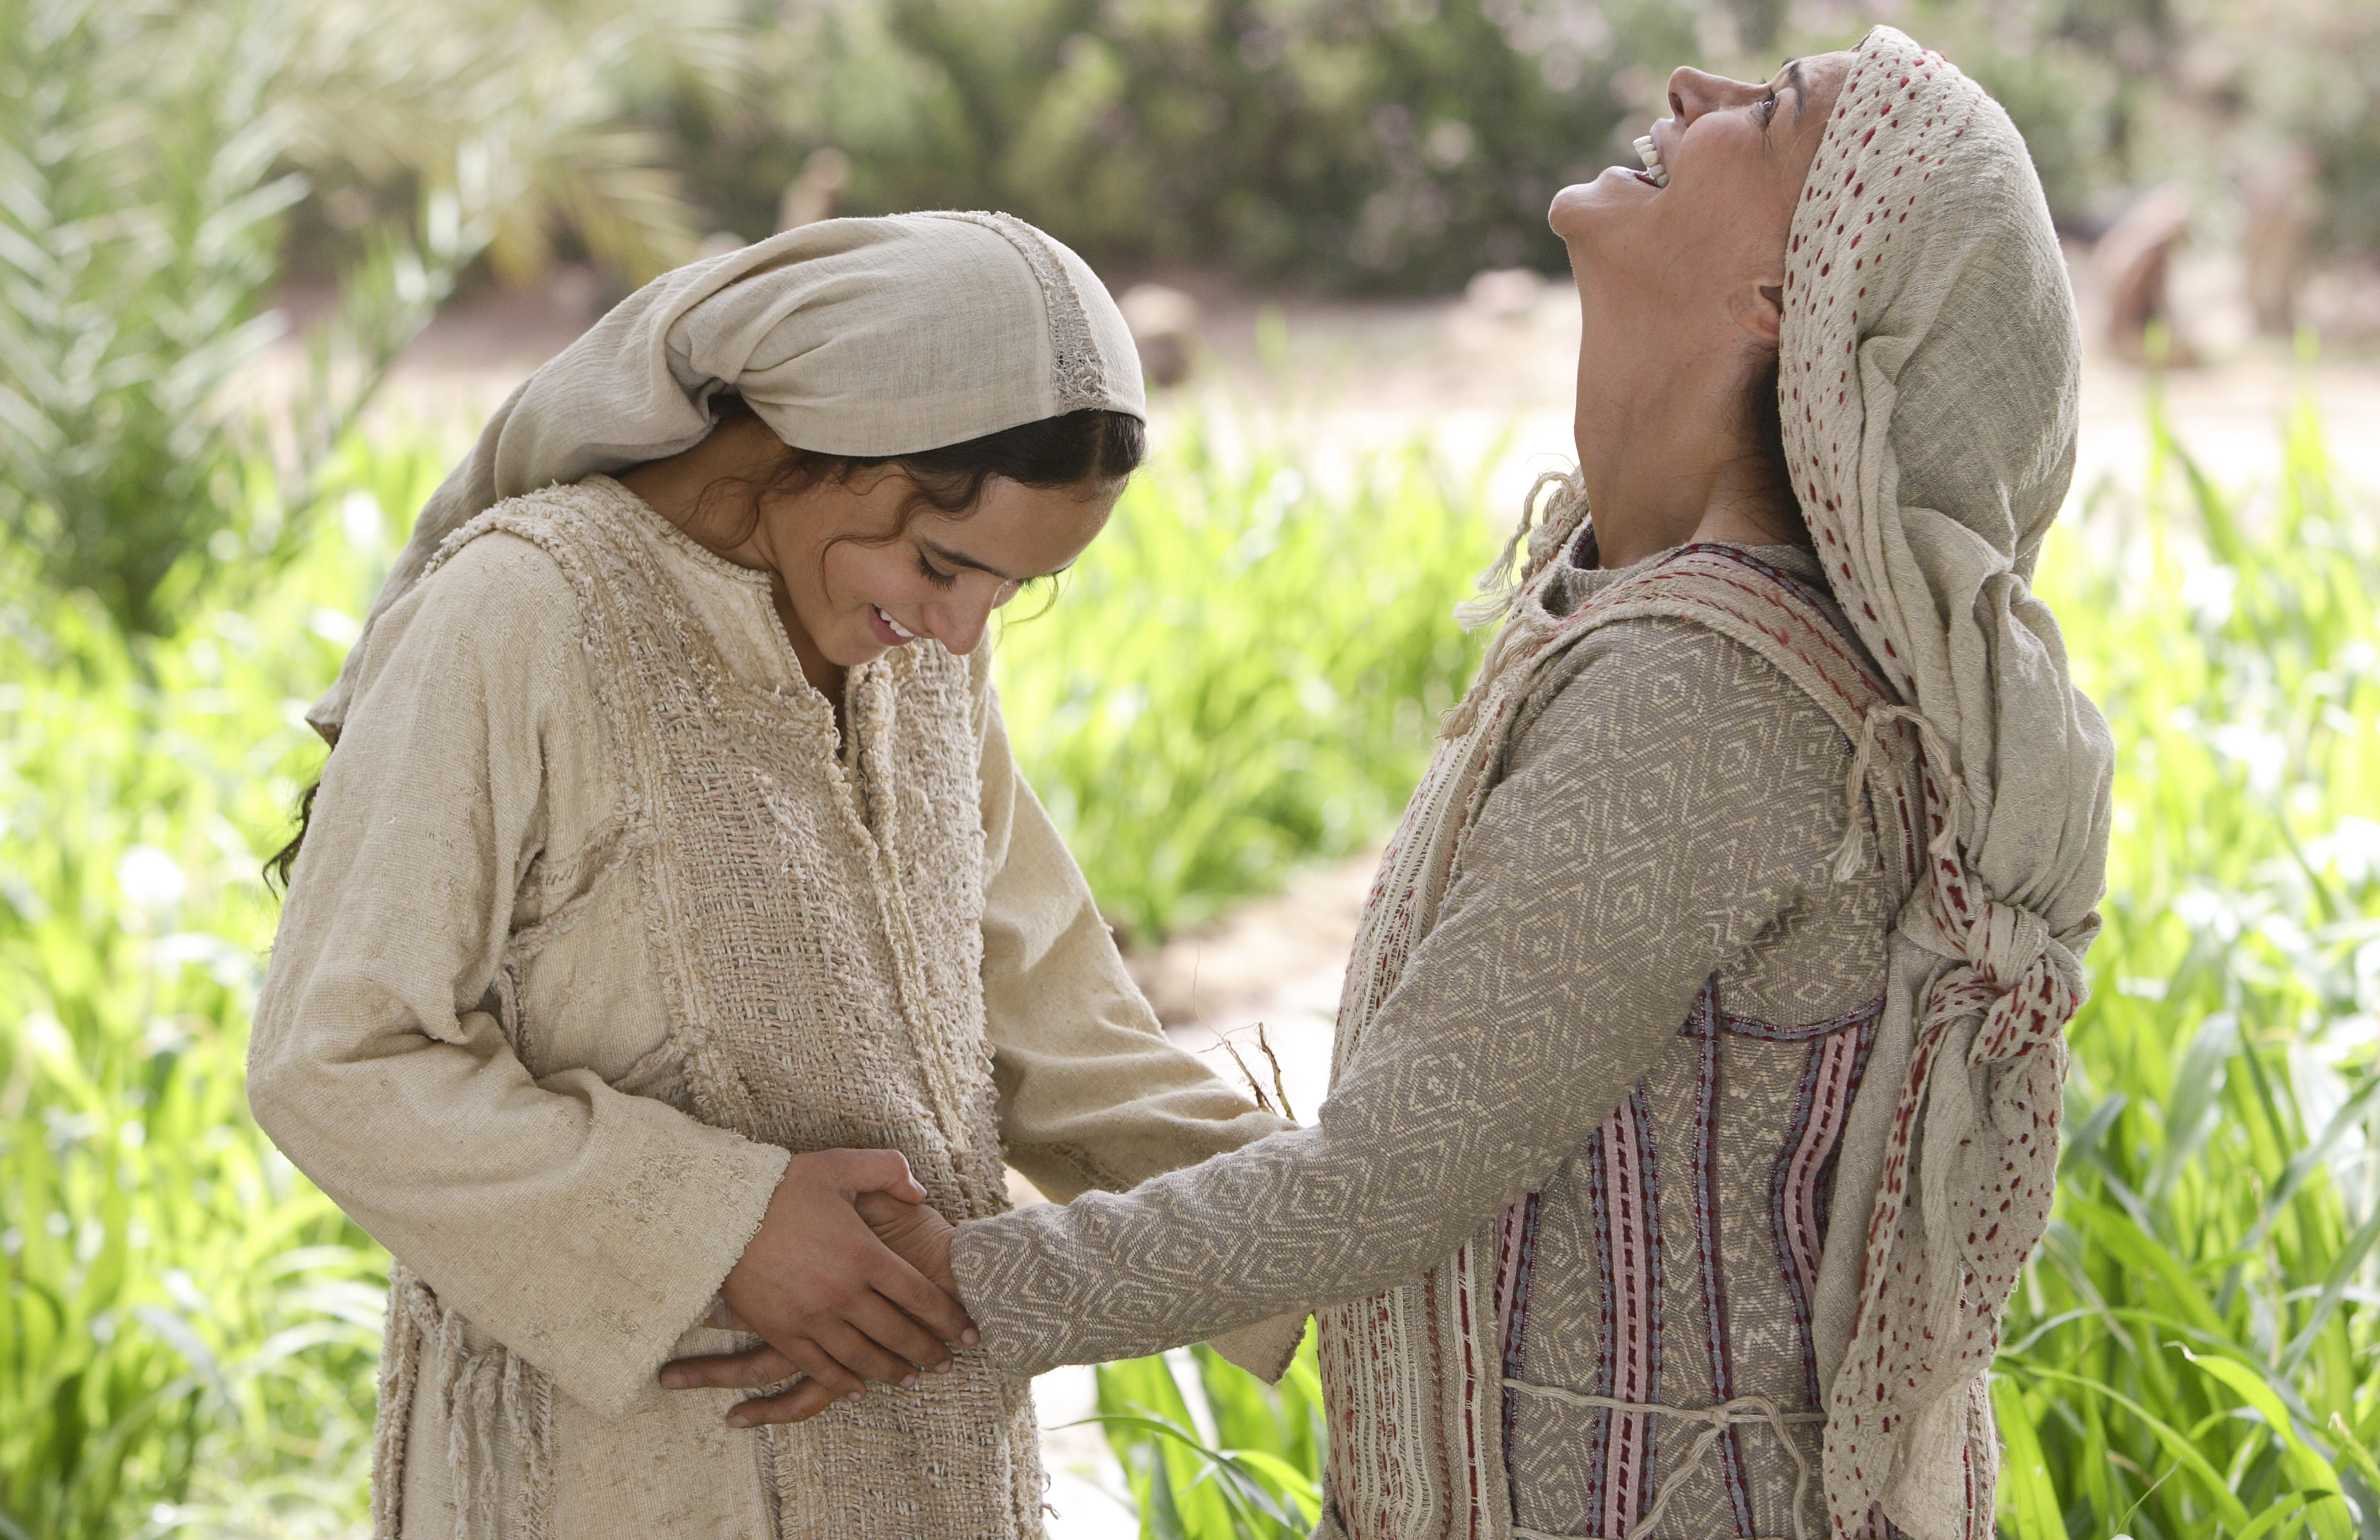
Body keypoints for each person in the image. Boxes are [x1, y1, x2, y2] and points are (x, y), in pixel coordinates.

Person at [671, 28, 2115, 1540]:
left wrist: (915, 1296)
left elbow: (1382, 1180)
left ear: (1791, 296)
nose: (1696, 92)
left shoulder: (1710, 696)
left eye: (1778, 113)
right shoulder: (1644, 615)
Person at [248, 212, 1294, 1540]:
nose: (962, 628)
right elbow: (335, 1055)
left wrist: (1362, 1217)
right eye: (944, 562)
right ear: (816, 440)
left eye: (1013, 592)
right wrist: (721, 1226)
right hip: (615, 1481)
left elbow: (1060, 1037)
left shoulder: (915, 651)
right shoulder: (523, 610)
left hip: (924, 1463)